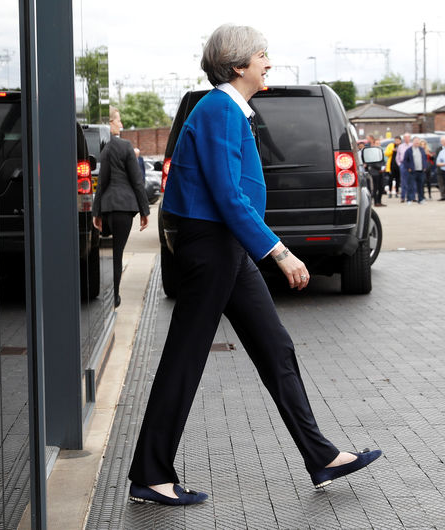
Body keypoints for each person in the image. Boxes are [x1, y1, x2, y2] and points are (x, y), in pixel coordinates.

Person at [127, 24, 381, 507]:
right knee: (184, 360)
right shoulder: (221, 109)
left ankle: (321, 455)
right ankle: (150, 475)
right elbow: (228, 195)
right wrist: (279, 251)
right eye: (262, 55)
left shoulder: (227, 109)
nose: (269, 61)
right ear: (239, 65)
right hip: (214, 247)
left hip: (225, 247)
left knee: (275, 348)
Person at [91, 106, 150, 308]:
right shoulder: (125, 147)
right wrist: (145, 211)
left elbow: (102, 183)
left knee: (111, 251)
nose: (121, 124)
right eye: (118, 120)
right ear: (111, 123)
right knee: (118, 253)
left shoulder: (105, 150)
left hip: (108, 209)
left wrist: (96, 212)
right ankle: (115, 296)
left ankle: (112, 294)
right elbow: (137, 181)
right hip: (125, 209)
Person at [403, 136, 428, 204]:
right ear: (413, 142)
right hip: (412, 171)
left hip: (421, 171)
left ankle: (421, 199)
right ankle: (409, 199)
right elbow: (405, 161)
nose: (417, 143)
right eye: (415, 141)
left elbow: (425, 159)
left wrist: (425, 166)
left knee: (421, 186)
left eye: (418, 142)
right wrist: (409, 168)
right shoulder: (409, 150)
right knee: (411, 186)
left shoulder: (421, 149)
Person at [396, 133, 412, 202]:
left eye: (408, 137)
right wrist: (400, 164)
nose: (406, 139)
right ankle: (403, 197)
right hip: (403, 164)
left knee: (411, 181)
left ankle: (411, 196)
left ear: (410, 138)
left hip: (411, 164)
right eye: (405, 138)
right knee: (403, 181)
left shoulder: (412, 146)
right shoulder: (400, 146)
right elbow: (397, 157)